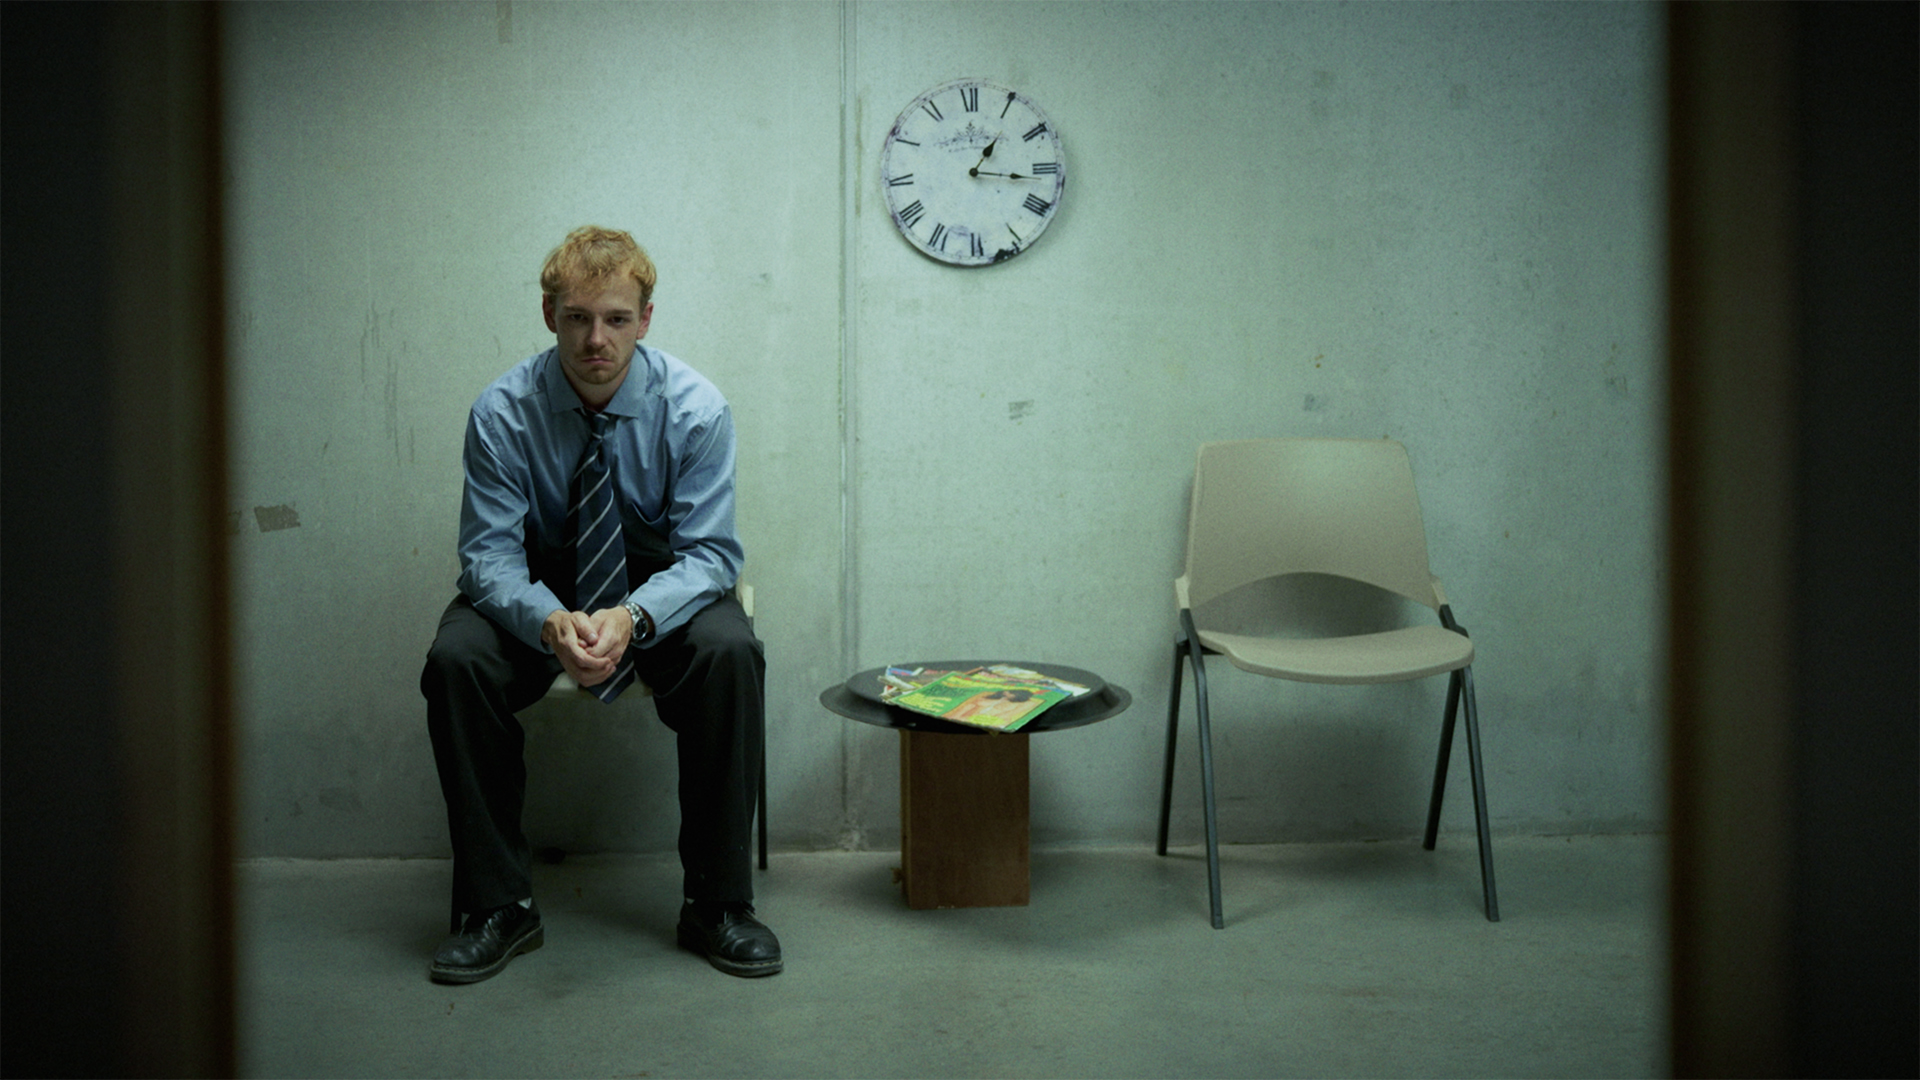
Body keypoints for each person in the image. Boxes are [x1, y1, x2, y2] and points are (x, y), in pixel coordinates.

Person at [420, 226, 778, 982]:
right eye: (578, 317)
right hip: (536, 589)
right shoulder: (502, 413)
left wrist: (633, 616)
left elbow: (711, 555)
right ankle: (498, 906)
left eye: (616, 319)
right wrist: (547, 619)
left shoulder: (697, 409)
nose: (595, 340)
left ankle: (718, 903)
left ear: (645, 319)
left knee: (731, 651)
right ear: (549, 314)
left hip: (660, 592)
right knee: (457, 660)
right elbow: (487, 557)